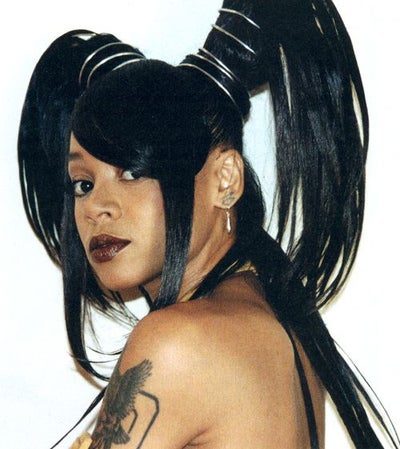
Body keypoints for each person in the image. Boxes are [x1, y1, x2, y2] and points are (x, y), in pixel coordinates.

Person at [17, 0, 399, 448]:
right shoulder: (283, 324)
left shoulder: (175, 344)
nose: (96, 207)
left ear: (225, 180)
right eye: (83, 183)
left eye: (133, 171)